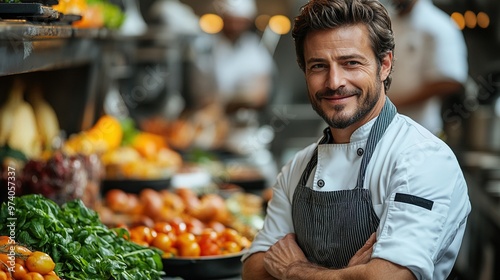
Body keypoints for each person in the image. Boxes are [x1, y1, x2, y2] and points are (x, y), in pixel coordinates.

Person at [241, 0, 471, 279]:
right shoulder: (297, 167)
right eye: (318, 66)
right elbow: (254, 270)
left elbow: (388, 278)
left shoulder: (421, 158)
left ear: (384, 65)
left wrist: (294, 269)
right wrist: (349, 274)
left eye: (350, 62)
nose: (334, 81)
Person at [384, 0, 469, 136]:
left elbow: (450, 81)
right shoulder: (388, 22)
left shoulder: (440, 25)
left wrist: (393, 103)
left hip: (421, 129)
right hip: (384, 126)